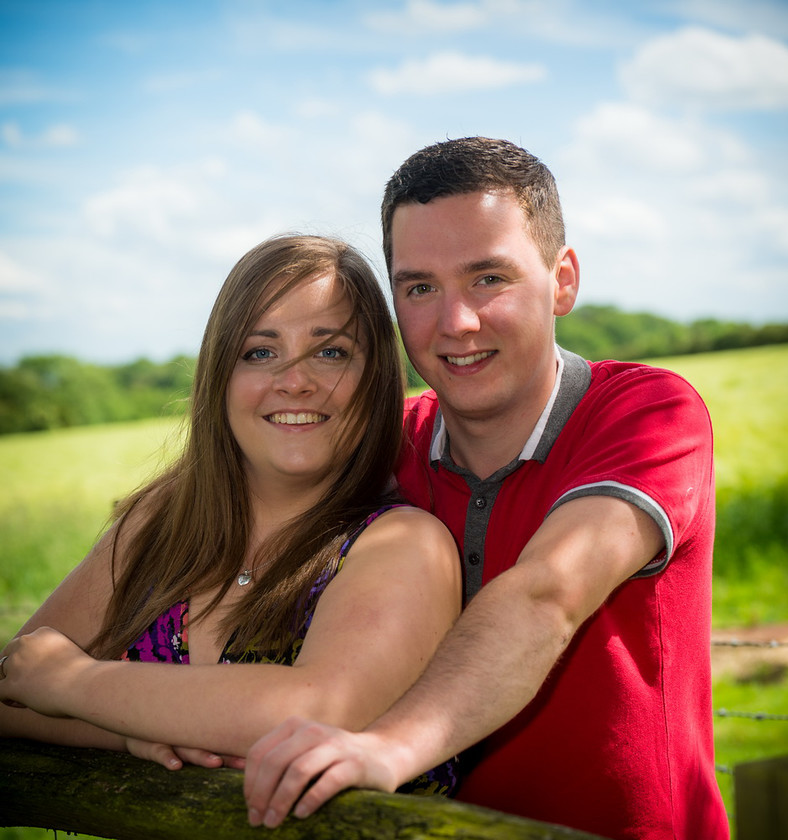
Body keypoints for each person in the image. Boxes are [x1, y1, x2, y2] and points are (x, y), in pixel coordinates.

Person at [241, 139, 730, 840]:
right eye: (419, 287)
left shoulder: (648, 412)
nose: (455, 323)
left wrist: (387, 748)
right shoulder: (380, 446)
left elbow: (547, 594)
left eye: (488, 279)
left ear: (562, 280)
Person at [0, 234, 461, 796]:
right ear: (220, 376)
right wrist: (129, 733)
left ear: (377, 377)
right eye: (259, 352)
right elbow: (11, 685)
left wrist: (74, 683)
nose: (294, 380)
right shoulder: (160, 522)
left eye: (331, 351)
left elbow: (316, 712)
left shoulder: (404, 544)